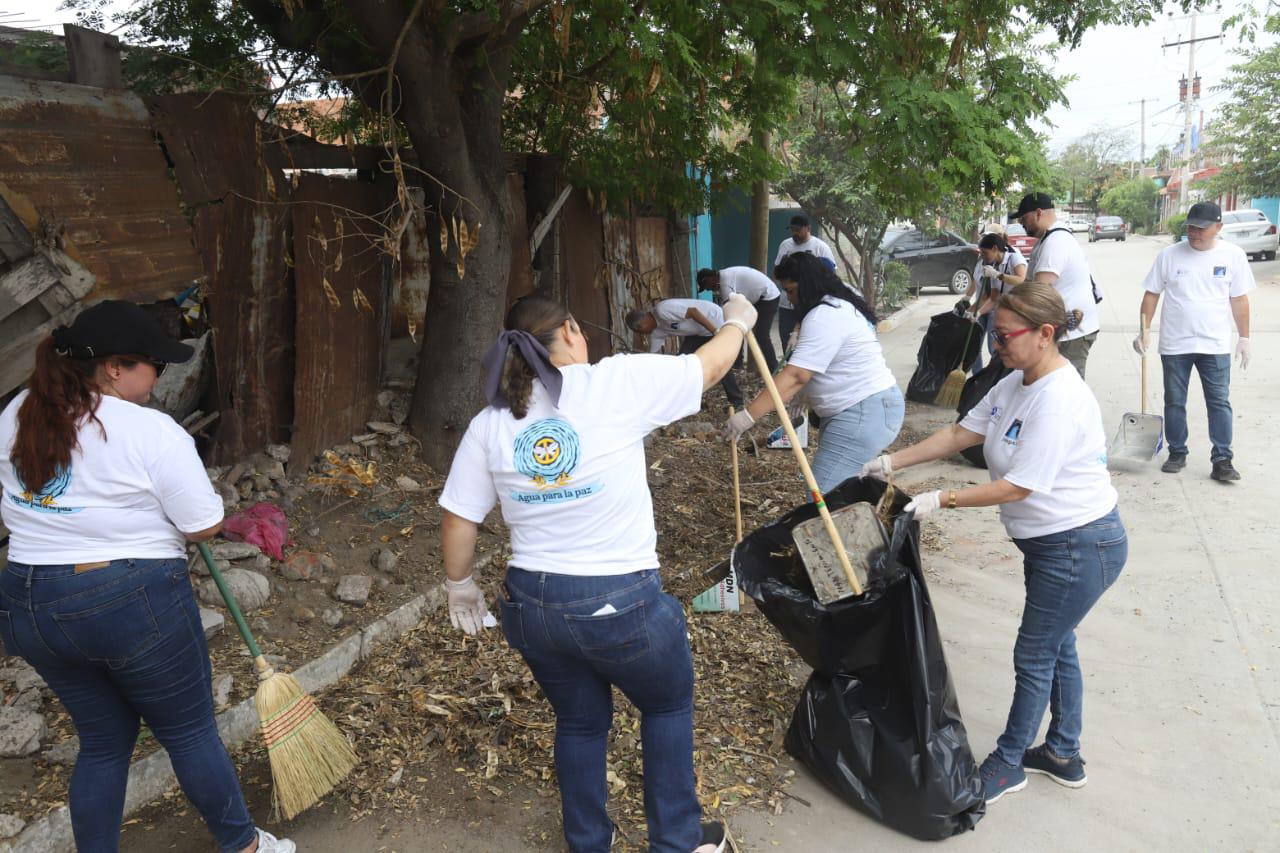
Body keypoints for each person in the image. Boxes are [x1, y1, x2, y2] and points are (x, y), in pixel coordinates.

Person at [438, 294, 757, 853]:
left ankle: (588, 843)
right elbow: (709, 366)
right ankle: (679, 843)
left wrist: (459, 583)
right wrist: (736, 320)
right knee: (665, 704)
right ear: (570, 331)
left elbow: (459, 518)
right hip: (620, 604)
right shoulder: (613, 383)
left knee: (580, 723)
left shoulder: (492, 421)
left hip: (531, 608)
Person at [0, 301, 293, 853]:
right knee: (188, 730)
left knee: (105, 741)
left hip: (29, 603)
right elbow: (204, 524)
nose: (160, 376)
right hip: (124, 601)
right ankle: (245, 846)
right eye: (154, 365)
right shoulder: (151, 431)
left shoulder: (18, 412)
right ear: (115, 367)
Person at [861, 282, 1126, 804]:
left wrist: (942, 499)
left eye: (1004, 336)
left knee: (1035, 653)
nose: (996, 345)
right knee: (1057, 644)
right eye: (994, 334)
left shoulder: (1059, 400)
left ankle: (1009, 762)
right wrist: (894, 461)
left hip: (1078, 545)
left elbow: (1019, 486)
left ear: (1046, 334)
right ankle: (1063, 753)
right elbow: (963, 434)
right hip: (1053, 545)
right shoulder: (1018, 379)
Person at [723, 252, 903, 493]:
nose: (789, 298)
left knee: (823, 499)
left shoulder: (826, 315)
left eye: (790, 290)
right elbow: (827, 364)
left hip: (862, 413)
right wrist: (808, 395)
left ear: (807, 284)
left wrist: (748, 415)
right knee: (841, 493)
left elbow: (797, 375)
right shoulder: (837, 306)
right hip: (866, 410)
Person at [1134, 201, 1253, 481]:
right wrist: (1145, 329)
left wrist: (1244, 336)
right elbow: (1152, 293)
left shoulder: (1233, 255)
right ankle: (1177, 451)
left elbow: (1239, 299)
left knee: (1219, 402)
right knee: (1174, 401)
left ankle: (1222, 459)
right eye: (1191, 227)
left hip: (1215, 345)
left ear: (1218, 227)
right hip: (1176, 344)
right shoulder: (1169, 255)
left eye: (1201, 228)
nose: (1195, 233)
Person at [1015, 192, 1101, 378]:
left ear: (1038, 213)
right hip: (1061, 330)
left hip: (1073, 332)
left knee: (1067, 390)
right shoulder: (1046, 240)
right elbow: (1028, 285)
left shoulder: (1056, 241)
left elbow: (1039, 292)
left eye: (1024, 218)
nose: (1021, 223)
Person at [625, 298, 744, 408]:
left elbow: (693, 312)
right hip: (698, 334)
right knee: (684, 364)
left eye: (639, 331)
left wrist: (716, 331)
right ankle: (692, 401)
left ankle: (737, 401)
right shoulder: (657, 332)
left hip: (714, 321)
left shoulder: (662, 310)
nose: (642, 334)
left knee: (718, 363)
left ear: (643, 323)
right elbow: (651, 357)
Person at [963, 232, 1027, 374]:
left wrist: (998, 275)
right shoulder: (992, 267)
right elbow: (993, 298)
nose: (983, 257)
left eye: (985, 253)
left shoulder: (1013, 258)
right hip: (1003, 310)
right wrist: (977, 313)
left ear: (994, 248)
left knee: (999, 349)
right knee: (996, 347)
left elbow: (1022, 279)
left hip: (1018, 312)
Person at [697, 266, 781, 373]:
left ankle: (774, 369)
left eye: (707, 286)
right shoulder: (724, 275)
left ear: (708, 279)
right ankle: (738, 365)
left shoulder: (725, 282)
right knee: (738, 327)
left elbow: (730, 316)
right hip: (758, 298)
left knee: (761, 335)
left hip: (768, 296)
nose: (709, 290)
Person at [773, 213, 837, 351]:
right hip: (787, 306)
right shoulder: (785, 245)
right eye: (792, 230)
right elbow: (777, 270)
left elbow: (830, 275)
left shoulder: (820, 247)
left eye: (798, 230)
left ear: (808, 228)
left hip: (810, 305)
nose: (794, 233)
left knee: (807, 345)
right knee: (787, 343)